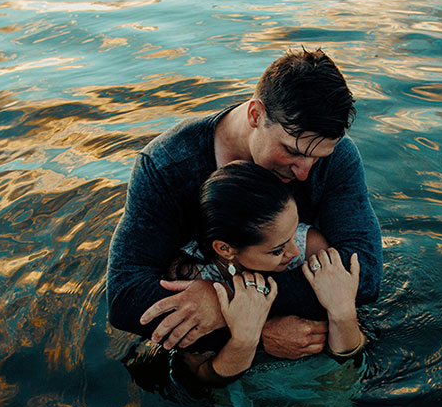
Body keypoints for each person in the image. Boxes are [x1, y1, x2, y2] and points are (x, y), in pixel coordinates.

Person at [106, 47, 381, 359]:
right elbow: (125, 297)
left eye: (319, 156)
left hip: (317, 338)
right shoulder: (166, 166)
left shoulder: (338, 157)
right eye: (292, 151)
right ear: (256, 114)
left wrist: (224, 301)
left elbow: (365, 275)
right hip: (212, 353)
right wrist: (253, 332)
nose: (305, 172)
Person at [166, 161, 366, 383]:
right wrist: (245, 339)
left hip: (321, 374)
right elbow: (199, 377)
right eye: (278, 249)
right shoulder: (190, 273)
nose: (295, 250)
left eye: (294, 231)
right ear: (225, 249)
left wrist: (343, 313)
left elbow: (348, 357)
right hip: (243, 384)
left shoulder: (310, 247)